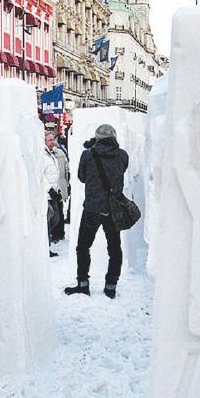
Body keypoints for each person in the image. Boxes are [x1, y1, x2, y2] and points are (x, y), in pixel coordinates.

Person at [65, 123, 128, 299]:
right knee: (115, 248)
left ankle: (83, 284)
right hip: (113, 209)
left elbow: (82, 177)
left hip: (92, 208)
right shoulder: (122, 155)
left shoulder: (88, 154)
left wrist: (92, 152)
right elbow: (121, 171)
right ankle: (110, 286)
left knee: (83, 247)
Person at [44, 129, 69, 254]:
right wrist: (49, 189)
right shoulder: (43, 155)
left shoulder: (54, 153)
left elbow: (61, 172)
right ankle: (45, 247)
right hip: (46, 194)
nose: (52, 142)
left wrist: (60, 189)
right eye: (49, 140)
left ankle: (46, 242)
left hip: (54, 192)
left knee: (55, 218)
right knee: (49, 219)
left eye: (53, 139)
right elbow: (40, 175)